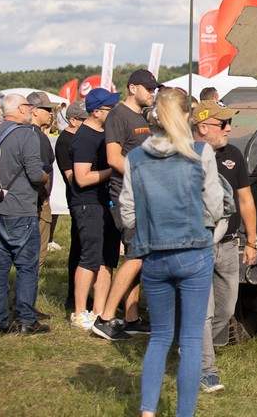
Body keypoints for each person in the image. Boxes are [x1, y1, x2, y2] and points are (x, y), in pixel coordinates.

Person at [119, 87, 224, 417]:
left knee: (160, 337)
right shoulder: (200, 152)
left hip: (153, 254)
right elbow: (215, 205)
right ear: (187, 116)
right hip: (194, 252)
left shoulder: (135, 158)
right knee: (190, 341)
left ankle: (147, 411)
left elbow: (127, 215)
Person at [193, 100, 257, 393]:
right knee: (203, 312)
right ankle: (205, 370)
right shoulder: (186, 156)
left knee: (227, 307)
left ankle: (193, 346)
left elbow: (245, 198)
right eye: (223, 124)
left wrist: (252, 239)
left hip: (230, 245)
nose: (229, 128)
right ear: (202, 127)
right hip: (199, 246)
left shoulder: (233, 154)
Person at [90, 69, 158, 340]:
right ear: (132, 88)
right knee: (136, 256)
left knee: (137, 255)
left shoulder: (141, 117)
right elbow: (114, 158)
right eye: (148, 88)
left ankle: (131, 318)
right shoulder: (118, 115)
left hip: (142, 194)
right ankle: (105, 319)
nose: (152, 92)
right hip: (126, 197)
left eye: (154, 88)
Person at [0, 94, 50, 336]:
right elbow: (35, 174)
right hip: (20, 209)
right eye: (29, 106)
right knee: (26, 267)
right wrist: (46, 176)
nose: (31, 110)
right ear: (21, 109)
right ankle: (26, 320)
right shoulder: (27, 135)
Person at [69, 87, 121, 331]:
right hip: (88, 203)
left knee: (107, 259)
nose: (114, 112)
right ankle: (79, 312)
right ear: (97, 111)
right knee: (90, 257)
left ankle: (99, 312)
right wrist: (115, 168)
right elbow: (82, 178)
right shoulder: (84, 138)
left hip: (107, 203)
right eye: (111, 108)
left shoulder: (105, 134)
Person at [56, 101, 87, 311]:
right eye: (84, 119)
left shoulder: (80, 137)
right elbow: (71, 177)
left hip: (85, 198)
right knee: (78, 248)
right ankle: (73, 296)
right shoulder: (65, 141)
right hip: (78, 199)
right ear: (73, 120)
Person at [26, 91, 58, 278]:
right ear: (35, 111)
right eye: (47, 109)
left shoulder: (20, 133)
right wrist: (44, 199)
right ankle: (27, 294)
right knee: (37, 255)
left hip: (23, 202)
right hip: (37, 202)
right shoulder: (37, 137)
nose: (51, 113)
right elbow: (39, 172)